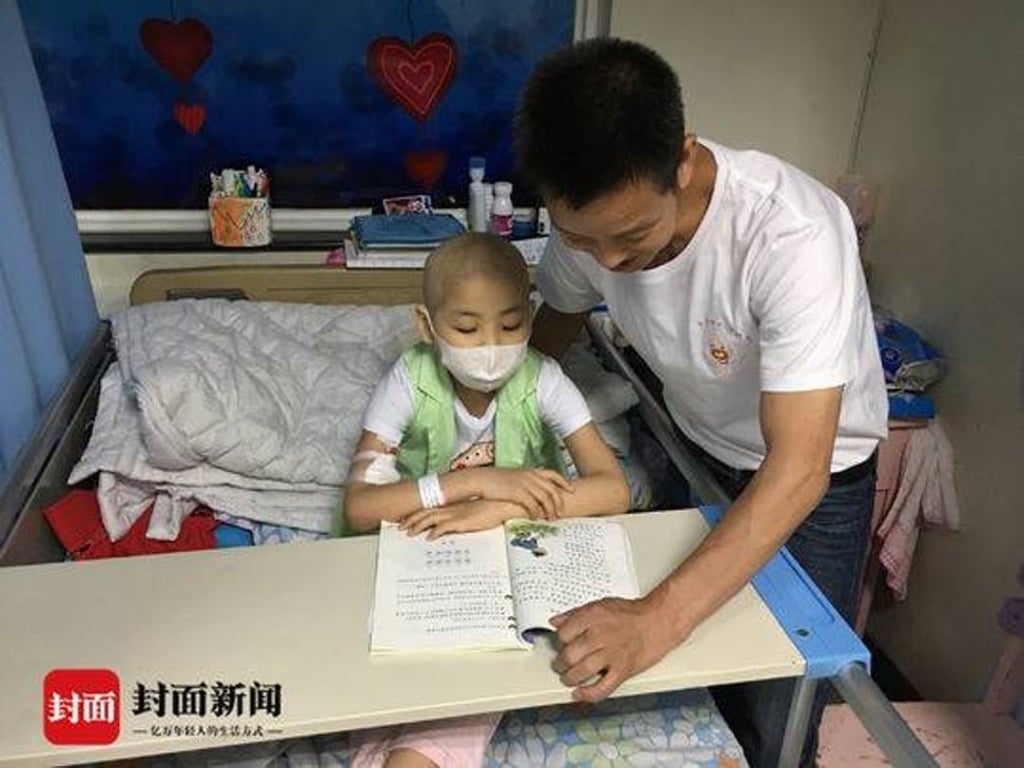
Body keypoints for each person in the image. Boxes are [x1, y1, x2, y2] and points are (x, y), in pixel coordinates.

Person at [515, 37, 888, 767]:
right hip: (699, 443)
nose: (611, 264)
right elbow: (556, 319)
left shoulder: (791, 235)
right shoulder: (592, 229)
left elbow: (799, 469)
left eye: (631, 238)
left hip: (815, 481)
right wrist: (504, 403)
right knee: (706, 677)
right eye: (582, 240)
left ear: (681, 160)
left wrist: (656, 619)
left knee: (783, 693)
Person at [343, 231, 631, 768]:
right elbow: (360, 505)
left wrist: (504, 508)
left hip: (511, 558)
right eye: (467, 328)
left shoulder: (543, 379)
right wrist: (473, 484)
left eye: (512, 324)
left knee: (467, 679)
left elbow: (612, 489)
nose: (492, 345)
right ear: (427, 326)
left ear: (531, 314)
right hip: (424, 548)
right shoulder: (409, 380)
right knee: (387, 668)